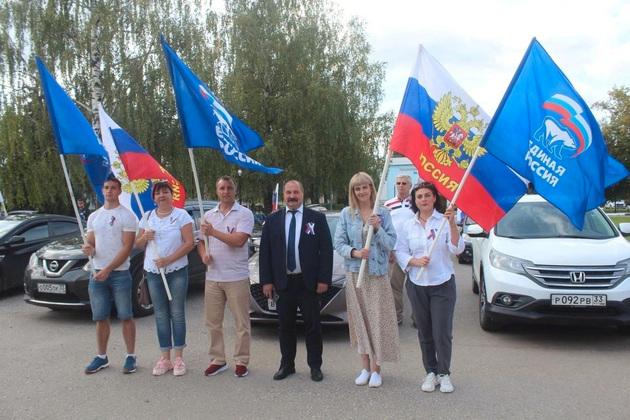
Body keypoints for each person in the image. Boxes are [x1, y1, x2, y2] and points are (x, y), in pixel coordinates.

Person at [259, 180, 333, 382]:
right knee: (285, 326)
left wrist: (323, 279)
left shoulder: (316, 218)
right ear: (284, 195)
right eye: (288, 192)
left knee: (313, 326)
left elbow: (326, 250)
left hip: (309, 283)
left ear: (302, 194)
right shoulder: (272, 219)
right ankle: (287, 365)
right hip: (283, 283)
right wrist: (266, 281)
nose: (292, 196)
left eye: (296, 192)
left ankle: (315, 366)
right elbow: (265, 252)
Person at [395, 181, 464, 394]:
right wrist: (415, 261)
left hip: (442, 284)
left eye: (427, 195)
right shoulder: (408, 225)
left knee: (441, 332)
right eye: (419, 196)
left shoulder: (444, 221)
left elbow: (457, 248)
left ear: (435, 198)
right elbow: (400, 252)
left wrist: (452, 224)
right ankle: (430, 372)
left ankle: (444, 373)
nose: (423, 199)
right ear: (414, 201)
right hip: (417, 284)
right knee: (424, 332)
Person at [334, 172, 400, 388]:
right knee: (360, 322)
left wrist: (378, 228)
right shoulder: (346, 214)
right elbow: (339, 243)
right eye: (357, 188)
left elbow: (391, 243)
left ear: (372, 188)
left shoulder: (383, 213)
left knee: (377, 322)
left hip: (377, 276)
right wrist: (355, 253)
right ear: (353, 192)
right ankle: (365, 368)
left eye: (365, 187)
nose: (362, 191)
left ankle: (377, 369)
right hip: (356, 275)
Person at [135, 181, 194, 376]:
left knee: (177, 313)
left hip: (176, 271)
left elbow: (189, 243)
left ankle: (179, 358)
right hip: (153, 273)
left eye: (165, 192)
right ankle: (164, 358)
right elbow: (137, 244)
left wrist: (169, 260)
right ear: (154, 197)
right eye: (158, 193)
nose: (162, 195)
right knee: (160, 315)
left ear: (171, 195)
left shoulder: (181, 215)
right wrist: (145, 237)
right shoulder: (147, 217)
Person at [198, 176, 254, 378]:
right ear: (217, 191)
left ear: (234, 190)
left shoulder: (244, 214)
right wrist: (203, 254)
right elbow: (201, 241)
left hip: (236, 277)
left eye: (229, 188)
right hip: (213, 277)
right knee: (213, 323)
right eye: (222, 188)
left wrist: (213, 232)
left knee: (241, 324)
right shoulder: (208, 215)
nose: (225, 191)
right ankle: (218, 360)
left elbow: (239, 241)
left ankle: (241, 361)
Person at [81, 176, 138, 374]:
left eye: (113, 188)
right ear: (102, 190)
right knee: (100, 317)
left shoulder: (127, 216)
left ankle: (130, 356)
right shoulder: (94, 217)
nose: (109, 191)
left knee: (125, 315)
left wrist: (108, 270)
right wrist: (88, 249)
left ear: (119, 191)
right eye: (106, 187)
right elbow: (91, 243)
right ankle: (101, 356)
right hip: (97, 273)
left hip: (119, 273)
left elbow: (127, 248)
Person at [384, 174, 415, 325]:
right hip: (395, 250)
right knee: (394, 285)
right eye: (398, 183)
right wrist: (389, 248)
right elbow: (385, 228)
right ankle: (397, 315)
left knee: (416, 286)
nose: (401, 186)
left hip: (414, 251)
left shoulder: (416, 203)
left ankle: (417, 316)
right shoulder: (388, 204)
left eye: (404, 183)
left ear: (410, 185)